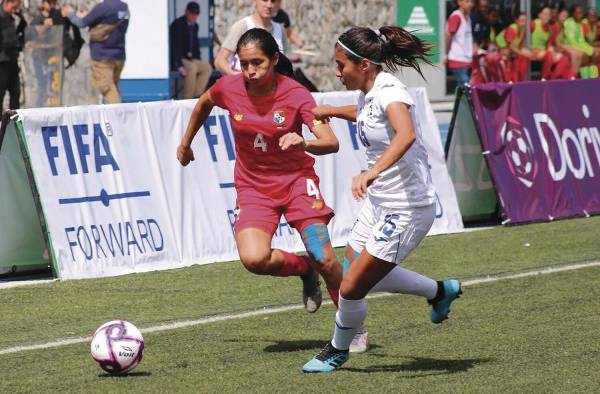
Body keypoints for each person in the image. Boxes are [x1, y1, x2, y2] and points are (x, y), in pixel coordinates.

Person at [302, 26, 462, 373]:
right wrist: (332, 109)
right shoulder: (369, 90)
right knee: (356, 270)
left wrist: (370, 173)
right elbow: (367, 116)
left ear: (364, 65)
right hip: (379, 203)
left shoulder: (390, 90)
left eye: (340, 64)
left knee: (352, 285)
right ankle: (438, 292)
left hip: (407, 209)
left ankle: (338, 349)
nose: (336, 71)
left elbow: (405, 134)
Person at [177, 28, 343, 319]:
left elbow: (331, 142)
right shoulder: (229, 88)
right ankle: (305, 270)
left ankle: (352, 326)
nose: (250, 71)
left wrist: (304, 141)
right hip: (253, 187)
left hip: (296, 184)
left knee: (326, 258)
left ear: (275, 59)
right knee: (254, 259)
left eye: (258, 63)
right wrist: (186, 142)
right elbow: (204, 102)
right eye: (244, 64)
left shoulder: (295, 94)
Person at [62, 0, 129, 103]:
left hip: (102, 56)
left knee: (107, 88)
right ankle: (116, 115)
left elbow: (81, 22)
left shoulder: (104, 7)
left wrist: (70, 13)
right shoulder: (124, 7)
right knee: (114, 86)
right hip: (119, 55)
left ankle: (117, 117)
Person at [214, 0, 286, 76]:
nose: (269, 5)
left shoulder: (280, 30)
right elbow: (219, 61)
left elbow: (283, 62)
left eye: (273, 1)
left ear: (279, 4)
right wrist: (237, 78)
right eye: (264, 0)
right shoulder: (242, 26)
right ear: (255, 1)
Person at [170, 1, 213, 99]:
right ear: (186, 12)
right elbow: (175, 46)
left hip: (190, 58)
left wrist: (198, 59)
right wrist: (179, 66)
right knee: (192, 68)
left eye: (196, 13)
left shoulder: (195, 26)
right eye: (192, 13)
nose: (194, 15)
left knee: (207, 68)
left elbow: (195, 45)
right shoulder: (178, 24)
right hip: (178, 59)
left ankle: (196, 96)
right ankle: (188, 98)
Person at [530, 6, 573, 80]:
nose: (547, 16)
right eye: (545, 14)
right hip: (533, 50)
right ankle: (544, 78)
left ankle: (554, 79)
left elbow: (548, 44)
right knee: (549, 55)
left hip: (544, 51)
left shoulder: (550, 28)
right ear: (539, 15)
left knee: (564, 58)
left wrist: (552, 50)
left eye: (549, 14)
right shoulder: (534, 24)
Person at [0, 0, 26, 113]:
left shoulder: (11, 18)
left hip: (12, 61)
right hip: (2, 63)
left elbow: (15, 37)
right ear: (6, 3)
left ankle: (14, 124)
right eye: (13, 7)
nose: (14, 11)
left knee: (16, 94)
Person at [562, 4, 600, 78]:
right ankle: (585, 79)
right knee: (586, 56)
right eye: (578, 12)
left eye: (581, 12)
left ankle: (593, 79)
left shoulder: (578, 23)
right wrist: (588, 50)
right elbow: (572, 42)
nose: (581, 14)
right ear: (573, 13)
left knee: (595, 53)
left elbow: (582, 41)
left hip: (578, 47)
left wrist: (591, 50)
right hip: (569, 48)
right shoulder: (569, 23)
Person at [446, 0, 475, 88]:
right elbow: (448, 37)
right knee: (466, 88)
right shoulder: (456, 17)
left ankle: (459, 102)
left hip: (467, 59)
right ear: (459, 2)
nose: (470, 4)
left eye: (471, 1)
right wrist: (445, 54)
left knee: (463, 90)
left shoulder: (468, 17)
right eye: (467, 1)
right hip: (457, 59)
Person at [496, 13, 531, 82]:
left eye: (525, 20)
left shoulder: (523, 30)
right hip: (499, 48)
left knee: (525, 57)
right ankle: (508, 80)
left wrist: (528, 54)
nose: (523, 22)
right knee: (513, 56)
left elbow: (521, 46)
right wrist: (521, 53)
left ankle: (520, 80)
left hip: (511, 50)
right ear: (516, 20)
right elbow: (510, 47)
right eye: (521, 20)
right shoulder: (512, 29)